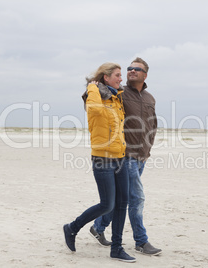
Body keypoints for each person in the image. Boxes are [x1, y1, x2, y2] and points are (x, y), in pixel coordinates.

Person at [63, 62, 136, 263]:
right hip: (102, 158)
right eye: (117, 75)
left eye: (121, 75)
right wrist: (92, 87)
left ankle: (117, 248)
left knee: (122, 204)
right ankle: (72, 228)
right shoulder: (93, 95)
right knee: (107, 204)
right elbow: (94, 111)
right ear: (106, 77)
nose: (121, 78)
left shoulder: (116, 98)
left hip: (120, 157)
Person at [90, 58, 162, 256]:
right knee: (136, 198)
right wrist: (95, 85)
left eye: (136, 69)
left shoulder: (150, 98)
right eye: (129, 69)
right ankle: (141, 241)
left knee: (123, 199)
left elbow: (152, 125)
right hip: (125, 154)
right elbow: (97, 103)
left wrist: (148, 149)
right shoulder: (118, 92)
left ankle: (98, 227)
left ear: (145, 75)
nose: (131, 71)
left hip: (142, 155)